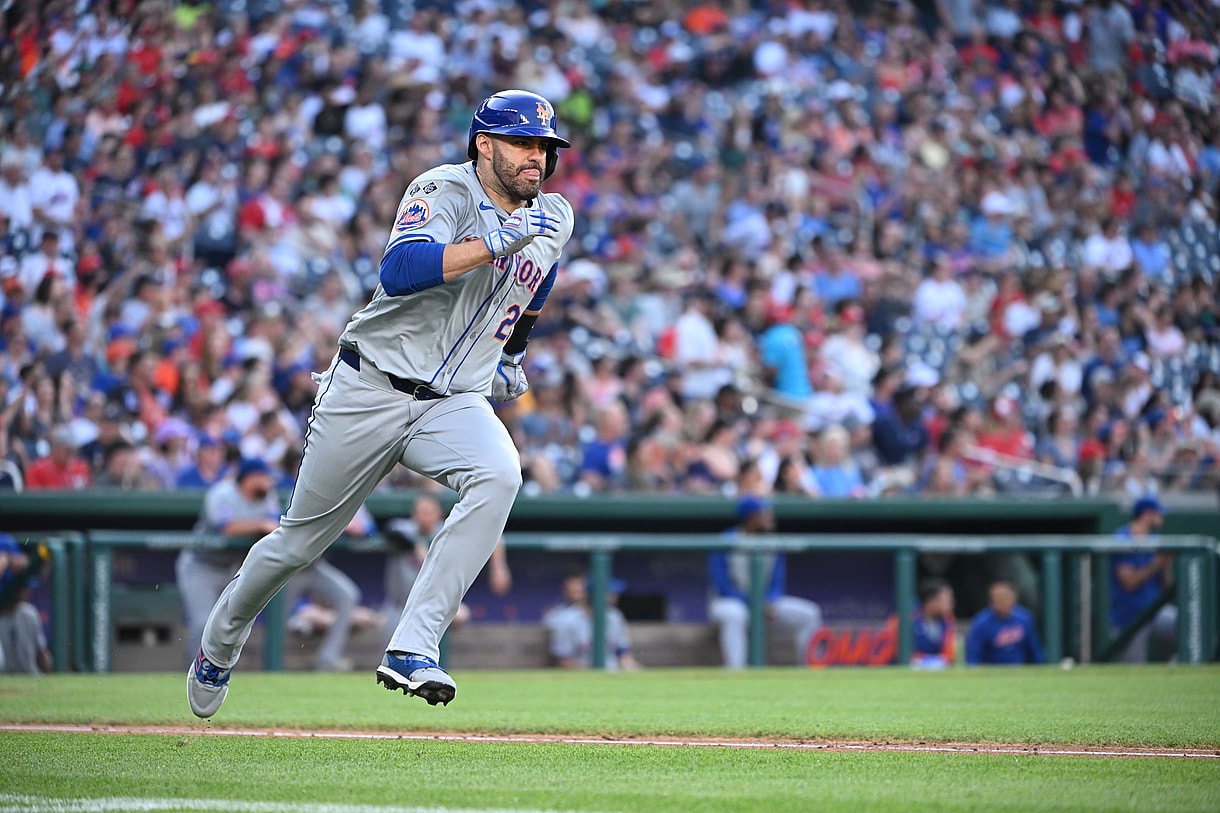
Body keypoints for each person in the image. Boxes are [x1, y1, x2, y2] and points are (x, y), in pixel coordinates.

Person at [187, 89, 574, 717]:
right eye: (523, 144)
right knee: (299, 544)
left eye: (544, 147)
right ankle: (219, 643)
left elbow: (541, 278)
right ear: (485, 144)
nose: (537, 157)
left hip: (454, 401)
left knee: (501, 473)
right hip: (370, 388)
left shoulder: (552, 216)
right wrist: (497, 242)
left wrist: (513, 351)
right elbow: (401, 269)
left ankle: (413, 646)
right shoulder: (444, 190)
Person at [178, 457, 364, 672]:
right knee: (203, 623)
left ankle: (224, 670)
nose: (270, 484)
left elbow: (276, 525)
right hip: (202, 565)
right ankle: (194, 673)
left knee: (231, 623)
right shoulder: (222, 493)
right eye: (265, 479)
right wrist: (259, 524)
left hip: (233, 567)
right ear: (251, 479)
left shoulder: (267, 498)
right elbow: (225, 528)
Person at [380, 492, 511, 648]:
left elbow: (490, 532)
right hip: (399, 607)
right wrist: (415, 546)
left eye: (429, 512)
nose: (424, 517)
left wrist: (498, 567)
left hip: (433, 604)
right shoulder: (405, 529)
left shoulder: (444, 530)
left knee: (459, 615)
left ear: (438, 515)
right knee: (390, 658)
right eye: (420, 512)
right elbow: (390, 530)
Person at [707, 495, 822, 669]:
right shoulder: (725, 541)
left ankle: (811, 669)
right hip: (730, 601)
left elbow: (777, 583)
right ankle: (735, 671)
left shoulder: (773, 543)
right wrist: (756, 603)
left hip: (764, 604)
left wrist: (771, 600)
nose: (770, 517)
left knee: (809, 614)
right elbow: (723, 586)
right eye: (764, 513)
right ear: (751, 518)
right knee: (735, 614)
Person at [1109, 496, 1177, 663]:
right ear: (1147, 514)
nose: (1162, 518)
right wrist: (1156, 564)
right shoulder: (1121, 538)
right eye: (1158, 514)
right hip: (1129, 618)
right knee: (1134, 671)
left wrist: (1166, 565)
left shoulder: (1155, 539)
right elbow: (1129, 583)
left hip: (1156, 612)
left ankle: (1177, 666)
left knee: (1186, 625)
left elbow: (1167, 587)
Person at [543, 571, 640, 671]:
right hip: (580, 676)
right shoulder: (566, 620)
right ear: (594, 595)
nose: (615, 596)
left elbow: (623, 654)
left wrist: (634, 671)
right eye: (610, 593)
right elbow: (563, 661)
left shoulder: (615, 616)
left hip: (613, 674)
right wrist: (593, 673)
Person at [0, 533, 52, 674]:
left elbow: (22, 564)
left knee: (26, 612)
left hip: (11, 611)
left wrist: (9, 560)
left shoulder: (4, 541)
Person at [965, 580, 1045, 665]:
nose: (1000, 601)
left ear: (1013, 598)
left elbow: (1035, 651)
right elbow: (973, 657)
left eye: (1004, 597)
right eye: (996, 597)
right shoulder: (981, 622)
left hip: (1019, 671)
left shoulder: (1024, 619)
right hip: (991, 672)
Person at [910, 578, 956, 669]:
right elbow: (901, 655)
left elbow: (949, 655)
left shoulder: (948, 619)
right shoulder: (908, 617)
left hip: (937, 671)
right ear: (931, 602)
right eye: (946, 601)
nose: (950, 605)